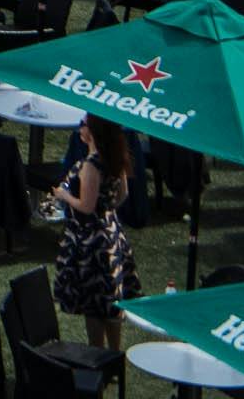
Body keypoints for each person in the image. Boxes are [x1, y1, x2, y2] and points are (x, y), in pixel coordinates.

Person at [55, 123, 142, 350]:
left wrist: (64, 196)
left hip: (90, 241)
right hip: (110, 232)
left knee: (93, 305)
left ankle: (99, 355)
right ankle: (115, 353)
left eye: (84, 125)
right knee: (110, 302)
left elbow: (86, 206)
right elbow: (123, 194)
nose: (80, 128)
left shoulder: (91, 165)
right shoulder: (114, 157)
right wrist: (107, 210)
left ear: (93, 132)